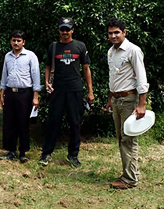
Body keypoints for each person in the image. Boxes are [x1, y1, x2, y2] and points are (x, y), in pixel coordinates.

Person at [39, 17, 94, 168]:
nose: (65, 32)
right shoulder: (54, 47)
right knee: (53, 122)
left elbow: (86, 68)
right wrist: (46, 81)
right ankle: (46, 153)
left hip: (75, 89)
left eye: (67, 29)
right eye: (62, 29)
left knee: (75, 123)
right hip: (57, 89)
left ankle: (73, 155)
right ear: (59, 30)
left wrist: (90, 91)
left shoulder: (80, 46)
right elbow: (48, 66)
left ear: (72, 30)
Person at [105, 18, 148, 189]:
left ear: (124, 32)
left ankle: (129, 179)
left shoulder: (133, 50)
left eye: (117, 32)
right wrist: (110, 99)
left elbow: (142, 78)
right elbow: (113, 78)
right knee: (122, 138)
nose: (113, 36)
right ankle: (131, 172)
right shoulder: (111, 52)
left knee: (128, 140)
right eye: (110, 33)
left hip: (129, 100)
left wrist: (142, 104)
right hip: (116, 99)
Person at [0, 30, 40, 163]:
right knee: (9, 122)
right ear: (11, 41)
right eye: (13, 40)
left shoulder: (30, 56)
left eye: (18, 40)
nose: (16, 43)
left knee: (23, 123)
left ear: (23, 42)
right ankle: (11, 151)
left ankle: (23, 152)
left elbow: (36, 76)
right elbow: (4, 75)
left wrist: (35, 96)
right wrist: (2, 94)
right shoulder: (7, 56)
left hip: (24, 94)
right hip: (10, 93)